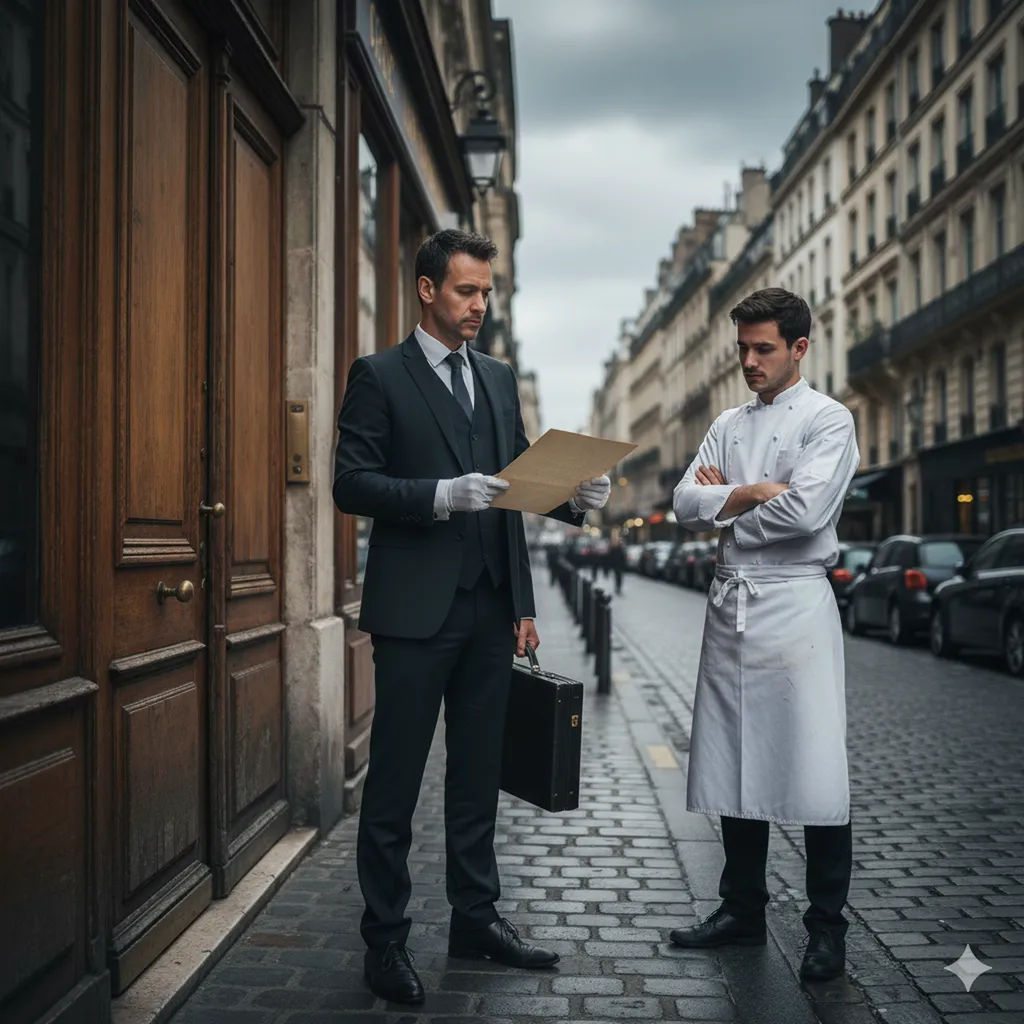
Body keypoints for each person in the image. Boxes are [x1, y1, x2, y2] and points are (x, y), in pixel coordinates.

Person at [333, 229, 611, 1005]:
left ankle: (475, 919)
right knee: (393, 783)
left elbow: (519, 483)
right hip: (415, 613)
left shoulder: (496, 377)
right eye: (466, 291)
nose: (480, 306)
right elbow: (351, 484)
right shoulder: (379, 375)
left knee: (478, 778)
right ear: (427, 289)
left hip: (490, 608)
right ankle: (384, 942)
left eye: (486, 293)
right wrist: (435, 496)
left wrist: (577, 500)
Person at [669, 287, 858, 983]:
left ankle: (826, 928)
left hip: (795, 605)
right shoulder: (726, 422)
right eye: (742, 348)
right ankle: (741, 910)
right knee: (733, 759)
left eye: (763, 348)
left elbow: (807, 513)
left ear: (799, 347)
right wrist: (747, 494)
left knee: (814, 766)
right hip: (732, 604)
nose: (749, 360)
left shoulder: (829, 420)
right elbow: (684, 503)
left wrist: (723, 504)